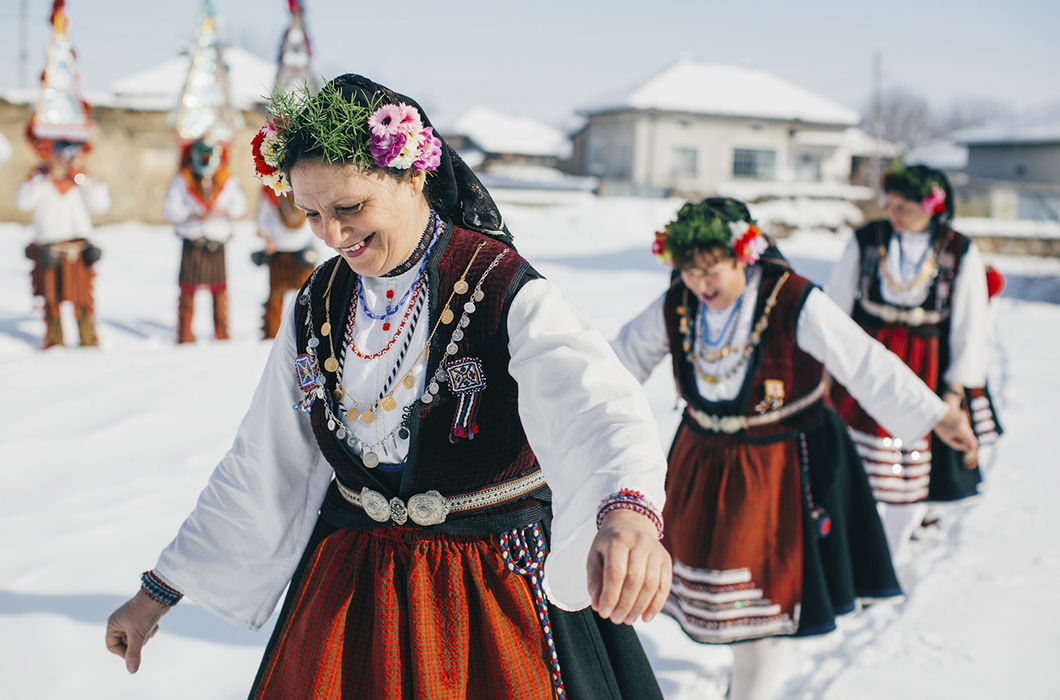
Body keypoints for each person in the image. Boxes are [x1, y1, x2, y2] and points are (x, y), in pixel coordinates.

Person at [106, 74, 671, 699]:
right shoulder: (318, 303)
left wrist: (627, 516)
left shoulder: (503, 289)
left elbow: (600, 410)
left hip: (490, 587)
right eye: (312, 212)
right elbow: (264, 462)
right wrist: (156, 594)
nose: (331, 233)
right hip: (353, 590)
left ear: (412, 176)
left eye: (350, 208)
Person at [611, 198, 977, 700]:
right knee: (719, 594)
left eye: (710, 269)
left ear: (744, 254)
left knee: (767, 599)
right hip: (701, 461)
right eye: (689, 271)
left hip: (779, 469)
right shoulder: (678, 303)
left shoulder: (792, 298)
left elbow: (865, 361)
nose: (700, 284)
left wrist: (940, 415)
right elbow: (619, 364)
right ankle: (743, 676)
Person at [827, 163, 1001, 555]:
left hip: (926, 363)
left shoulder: (958, 249)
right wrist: (827, 370)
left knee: (914, 459)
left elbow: (969, 325)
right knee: (856, 457)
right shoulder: (868, 239)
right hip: (867, 359)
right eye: (889, 204)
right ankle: (855, 539)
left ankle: (897, 540)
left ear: (931, 207)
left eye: (903, 207)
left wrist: (955, 389)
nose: (893, 214)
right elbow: (836, 306)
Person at [17, 139, 110, 348]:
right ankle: (54, 344)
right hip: (49, 249)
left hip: (77, 249)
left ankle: (88, 342)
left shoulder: (82, 178)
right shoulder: (39, 177)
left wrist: (82, 177)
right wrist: (45, 176)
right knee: (51, 301)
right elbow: (23, 202)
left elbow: (102, 205)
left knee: (83, 301)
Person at [163, 138, 248, 343]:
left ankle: (222, 335)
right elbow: (169, 209)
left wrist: (224, 211)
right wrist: (191, 214)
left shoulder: (227, 179)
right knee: (187, 293)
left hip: (216, 243)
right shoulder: (183, 179)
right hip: (193, 242)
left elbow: (241, 207)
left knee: (219, 292)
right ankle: (184, 335)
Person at [252, 187, 318, 339]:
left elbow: (316, 218)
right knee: (275, 297)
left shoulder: (307, 189)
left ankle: (309, 334)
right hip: (279, 255)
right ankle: (271, 333)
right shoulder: (271, 193)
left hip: (302, 253)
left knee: (307, 297)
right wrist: (267, 238)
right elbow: (263, 220)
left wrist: (313, 245)